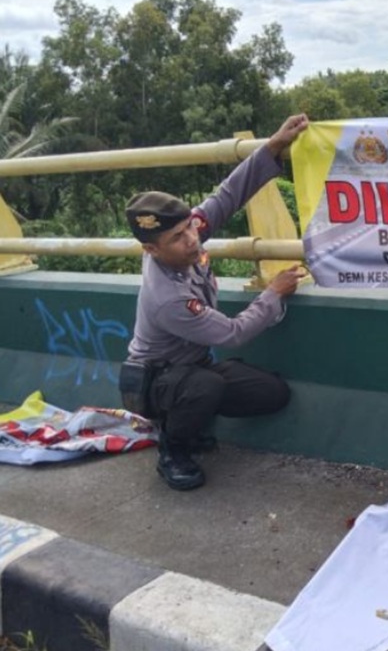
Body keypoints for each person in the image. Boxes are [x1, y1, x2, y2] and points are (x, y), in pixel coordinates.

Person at [119, 114, 309, 491]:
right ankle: (173, 448)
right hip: (157, 381)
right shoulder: (168, 298)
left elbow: (226, 195)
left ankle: (191, 419)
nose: (192, 239)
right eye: (178, 236)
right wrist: (273, 293)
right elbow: (234, 332)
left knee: (272, 393)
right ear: (151, 249)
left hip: (194, 366)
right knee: (204, 386)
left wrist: (272, 146)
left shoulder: (184, 235)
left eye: (191, 226)